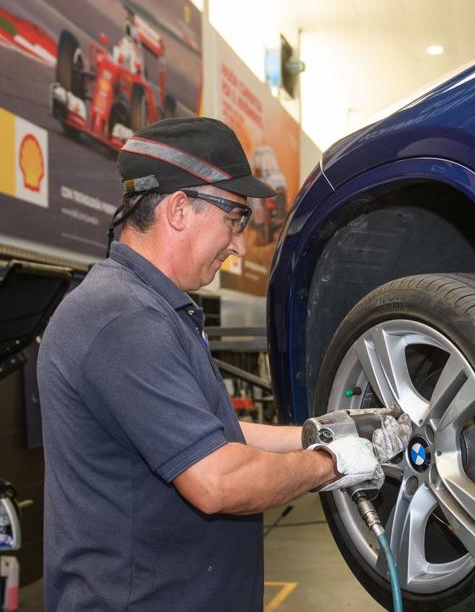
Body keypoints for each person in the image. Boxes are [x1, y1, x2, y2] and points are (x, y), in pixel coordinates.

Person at [37, 117, 393, 610]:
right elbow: (217, 480)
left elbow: (212, 436)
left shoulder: (150, 307)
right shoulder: (122, 318)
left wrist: (324, 431)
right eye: (234, 218)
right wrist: (332, 465)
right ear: (180, 209)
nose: (239, 244)